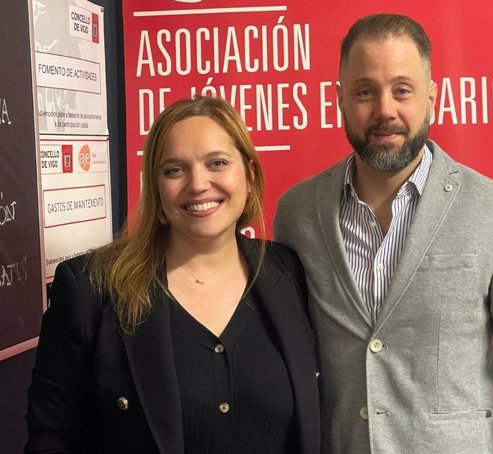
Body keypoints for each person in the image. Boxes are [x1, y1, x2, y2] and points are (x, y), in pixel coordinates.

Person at [273, 14, 493, 454]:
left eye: (402, 90)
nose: (385, 111)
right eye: (364, 92)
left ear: (431, 96)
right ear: (339, 99)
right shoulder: (297, 213)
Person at [26, 96, 320, 454]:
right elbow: (51, 439)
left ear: (250, 174)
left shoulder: (288, 272)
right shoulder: (92, 289)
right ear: (155, 186)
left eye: (217, 162)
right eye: (174, 170)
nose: (198, 184)